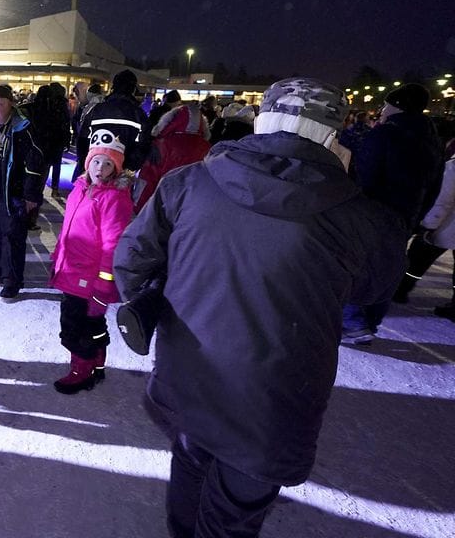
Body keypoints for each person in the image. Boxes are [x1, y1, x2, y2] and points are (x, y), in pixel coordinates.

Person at [113, 78, 406, 538]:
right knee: (233, 513)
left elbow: (131, 260)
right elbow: (374, 289)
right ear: (334, 134)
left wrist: (168, 293)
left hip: (189, 376)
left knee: (190, 466)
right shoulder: (360, 216)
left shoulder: (190, 182)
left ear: (262, 119)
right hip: (273, 402)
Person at [342, 83, 445, 344]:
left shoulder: (385, 135)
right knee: (390, 266)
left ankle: (353, 321)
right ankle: (372, 319)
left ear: (396, 106)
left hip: (373, 211)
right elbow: (435, 184)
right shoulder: (431, 140)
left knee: (355, 265)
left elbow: (365, 175)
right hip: (406, 215)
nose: (382, 110)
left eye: (386, 105)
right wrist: (418, 215)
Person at [50, 132, 133, 394]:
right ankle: (97, 364)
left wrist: (103, 286)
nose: (100, 168)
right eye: (96, 161)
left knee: (75, 327)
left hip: (87, 278)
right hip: (72, 270)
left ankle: (81, 370)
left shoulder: (113, 198)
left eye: (107, 164)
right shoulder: (80, 189)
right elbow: (68, 230)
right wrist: (57, 258)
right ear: (87, 162)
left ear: (116, 168)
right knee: (93, 324)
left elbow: (113, 245)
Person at [0, 84, 45, 300]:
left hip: (12, 197)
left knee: (12, 240)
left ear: (10, 104)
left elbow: (36, 161)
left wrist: (31, 195)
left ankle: (12, 281)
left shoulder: (22, 128)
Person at [392, 137, 455, 321]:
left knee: (417, 260)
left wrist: (429, 226)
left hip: (444, 228)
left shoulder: (452, 168)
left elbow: (443, 202)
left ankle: (401, 289)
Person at [135, 101, 212, 211]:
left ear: (172, 121)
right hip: (195, 208)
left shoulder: (162, 145)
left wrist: (140, 208)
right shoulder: (209, 148)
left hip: (163, 206)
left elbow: (147, 178)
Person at [76, 70, 149, 179]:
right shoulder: (138, 114)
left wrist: (87, 165)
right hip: (121, 175)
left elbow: (83, 140)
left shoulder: (97, 110)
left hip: (96, 172)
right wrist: (127, 168)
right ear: (133, 89)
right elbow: (143, 146)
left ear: (113, 88)